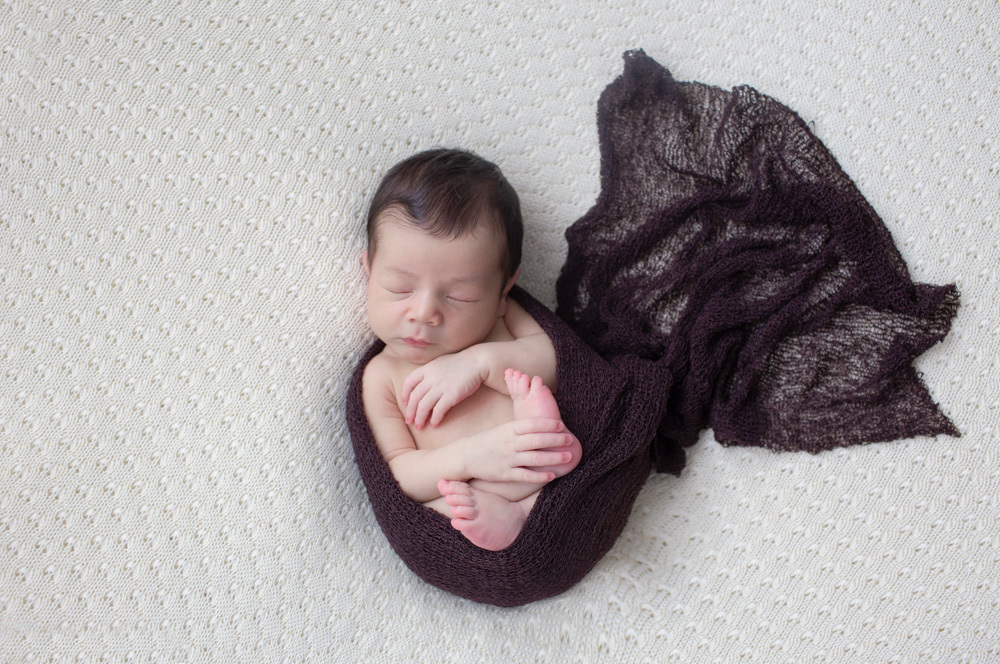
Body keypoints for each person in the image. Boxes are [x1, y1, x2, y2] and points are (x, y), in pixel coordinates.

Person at [359, 148, 582, 551]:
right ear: (369, 271)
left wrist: (479, 362)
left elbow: (556, 360)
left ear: (502, 291)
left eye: (460, 296)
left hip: (544, 465)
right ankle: (512, 512)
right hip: (467, 491)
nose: (425, 312)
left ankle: (534, 488)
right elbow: (401, 472)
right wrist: (471, 457)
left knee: (554, 436)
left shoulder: (499, 319)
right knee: (440, 505)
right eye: (400, 288)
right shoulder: (382, 376)